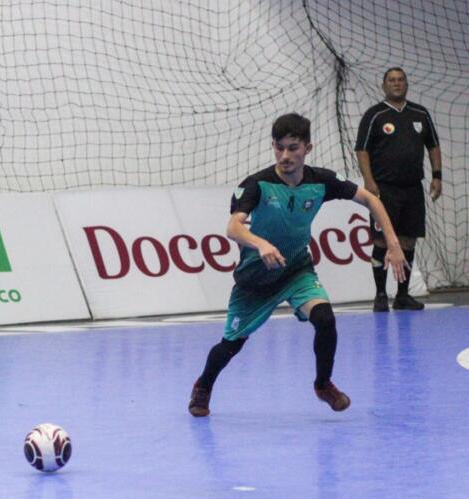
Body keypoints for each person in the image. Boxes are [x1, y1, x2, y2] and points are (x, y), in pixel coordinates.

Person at [188, 113, 408, 417]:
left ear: (308, 148)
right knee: (231, 345)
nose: (285, 156)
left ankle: (323, 384)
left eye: (293, 148)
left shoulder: (321, 181)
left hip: (296, 270)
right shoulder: (257, 185)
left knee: (325, 319)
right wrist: (262, 244)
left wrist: (393, 244)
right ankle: (203, 385)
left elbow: (371, 200)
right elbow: (233, 227)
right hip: (256, 278)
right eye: (279, 148)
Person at [355, 67, 442, 312]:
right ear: (384, 85)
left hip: (413, 188)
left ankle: (402, 295)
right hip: (385, 189)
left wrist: (437, 176)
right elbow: (362, 149)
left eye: (401, 80)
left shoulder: (420, 113)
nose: (397, 83)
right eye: (391, 80)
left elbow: (433, 146)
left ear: (406, 84)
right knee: (382, 240)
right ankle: (381, 294)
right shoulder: (375, 115)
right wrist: (369, 181)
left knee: (408, 241)